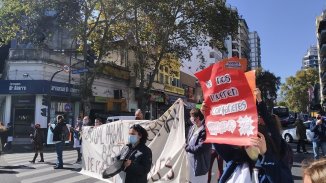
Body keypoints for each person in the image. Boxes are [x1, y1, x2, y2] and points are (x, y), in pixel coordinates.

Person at [202, 88, 293, 183]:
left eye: (255, 139)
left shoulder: (274, 159)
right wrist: (209, 118)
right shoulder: (237, 160)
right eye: (247, 139)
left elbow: (271, 126)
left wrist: (266, 154)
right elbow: (219, 141)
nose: (249, 145)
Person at [185, 108, 211, 182]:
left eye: (192, 117)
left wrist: (186, 147)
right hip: (190, 163)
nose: (191, 119)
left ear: (198, 118)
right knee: (189, 180)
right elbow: (189, 141)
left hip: (199, 164)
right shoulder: (192, 128)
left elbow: (200, 148)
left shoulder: (205, 131)